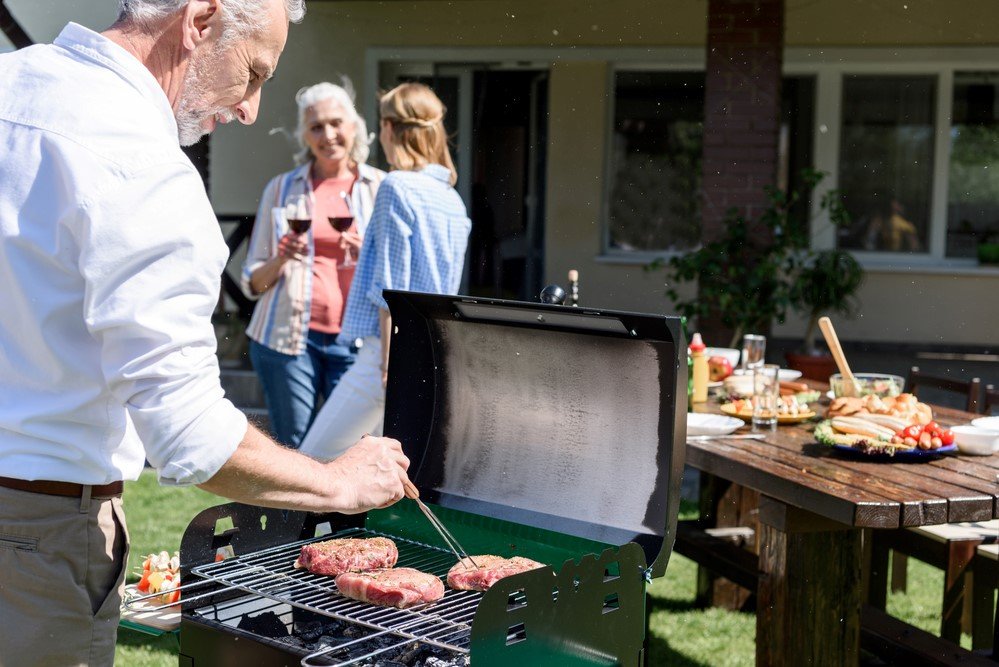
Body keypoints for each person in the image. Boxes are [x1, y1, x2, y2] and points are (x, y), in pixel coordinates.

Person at [0, 2, 411, 664]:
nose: (250, 108)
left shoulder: (9, 81)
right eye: (252, 72)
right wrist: (338, 482)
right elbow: (188, 436)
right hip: (35, 536)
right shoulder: (145, 167)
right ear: (200, 20)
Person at [299, 82, 472, 461]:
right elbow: (434, 280)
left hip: (388, 354)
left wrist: (386, 367)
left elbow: (391, 289)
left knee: (313, 459)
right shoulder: (452, 200)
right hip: (431, 356)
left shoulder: (396, 187)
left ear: (391, 129)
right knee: (374, 476)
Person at [241, 81, 386, 449]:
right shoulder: (282, 188)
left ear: (354, 127)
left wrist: (365, 252)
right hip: (288, 341)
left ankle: (339, 511)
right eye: (316, 127)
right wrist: (281, 258)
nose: (328, 135)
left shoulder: (381, 188)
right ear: (304, 135)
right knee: (296, 449)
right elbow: (252, 281)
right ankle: (295, 512)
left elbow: (392, 275)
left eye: (336, 123)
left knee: (352, 447)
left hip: (356, 343)